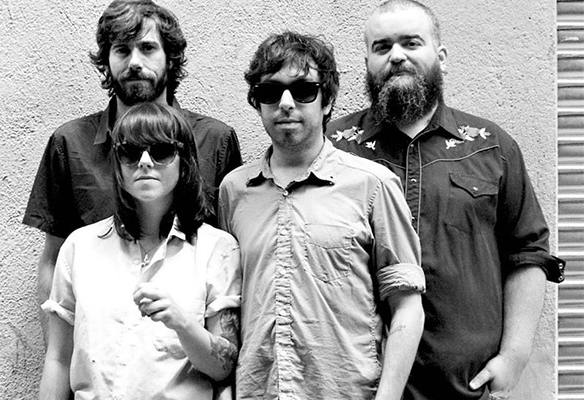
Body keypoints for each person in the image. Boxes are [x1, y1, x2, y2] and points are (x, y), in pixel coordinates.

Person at [326, 1, 565, 399]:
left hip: (465, 389)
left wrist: (515, 355)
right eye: (382, 47)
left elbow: (528, 252)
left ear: (441, 57)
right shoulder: (334, 148)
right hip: (356, 386)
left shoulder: (491, 147)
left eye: (411, 43)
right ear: (367, 62)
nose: (396, 56)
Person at [219, 31, 425, 400]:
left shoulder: (373, 185)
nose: (286, 103)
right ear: (257, 102)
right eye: (270, 92)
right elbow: (226, 309)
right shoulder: (234, 190)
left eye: (303, 91)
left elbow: (408, 308)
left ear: (326, 100)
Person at [23, 0, 242, 337]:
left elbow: (229, 259)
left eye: (148, 48)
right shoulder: (70, 143)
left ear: (170, 57)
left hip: (188, 354)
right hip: (99, 353)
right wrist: (59, 355)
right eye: (122, 50)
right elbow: (53, 261)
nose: (135, 62)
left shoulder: (215, 140)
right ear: (107, 61)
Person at [38, 102, 241, 400]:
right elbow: (58, 359)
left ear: (184, 161)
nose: (145, 162)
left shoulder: (217, 249)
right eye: (130, 152)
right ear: (117, 164)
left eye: (161, 150)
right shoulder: (79, 247)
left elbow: (224, 367)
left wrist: (182, 323)